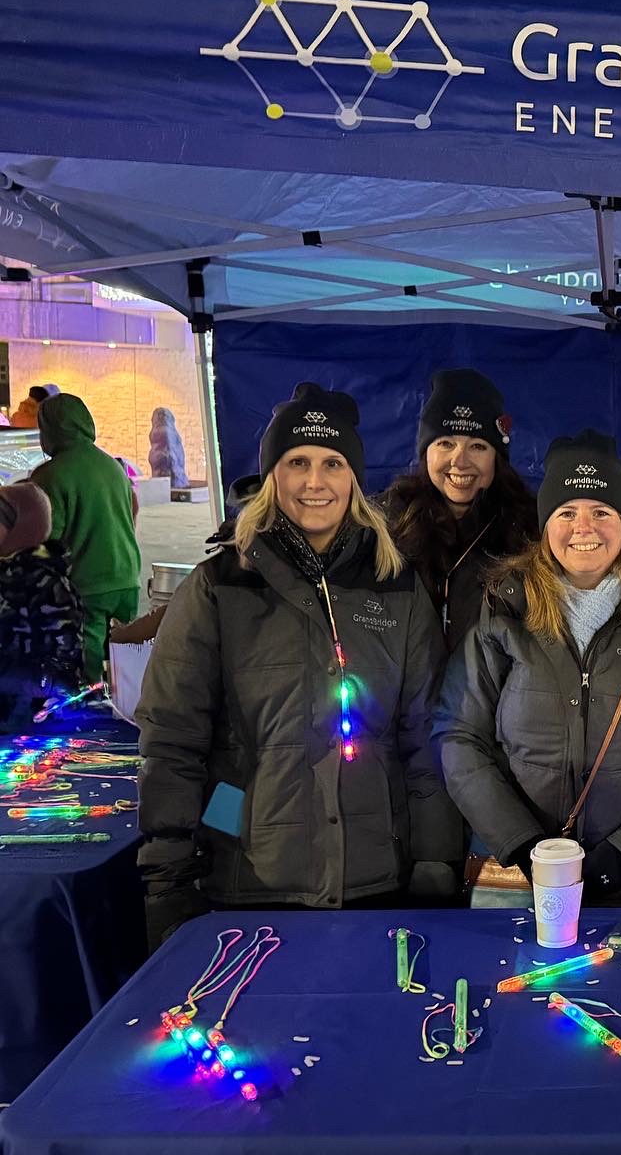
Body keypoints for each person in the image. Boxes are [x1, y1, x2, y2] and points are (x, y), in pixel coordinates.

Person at [135, 382, 461, 946]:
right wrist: (168, 877)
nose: (315, 481)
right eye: (297, 462)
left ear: (354, 477)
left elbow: (425, 740)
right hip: (248, 878)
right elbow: (172, 741)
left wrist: (435, 860)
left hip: (375, 881)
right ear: (272, 477)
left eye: (333, 463)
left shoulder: (397, 588)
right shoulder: (219, 588)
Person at [433, 430, 621, 907]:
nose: (583, 528)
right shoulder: (505, 608)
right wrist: (520, 844)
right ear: (546, 523)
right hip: (513, 879)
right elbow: (457, 735)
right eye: (566, 512)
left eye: (601, 511)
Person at [384, 368, 538, 648]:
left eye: (477, 446)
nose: (460, 461)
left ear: (497, 458)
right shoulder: (386, 524)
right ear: (425, 451)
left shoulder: (530, 530)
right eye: (445, 443)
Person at [26, 393, 142, 682]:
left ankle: (89, 721)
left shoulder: (50, 475)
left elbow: (45, 537)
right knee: (122, 660)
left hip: (87, 585)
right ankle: (123, 711)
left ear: (50, 429)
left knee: (86, 670)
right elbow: (133, 509)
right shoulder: (113, 466)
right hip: (127, 577)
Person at [0, 482, 84, 728]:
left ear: (20, 527)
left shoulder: (47, 583)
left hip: (25, 716)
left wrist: (45, 683)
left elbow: (66, 662)